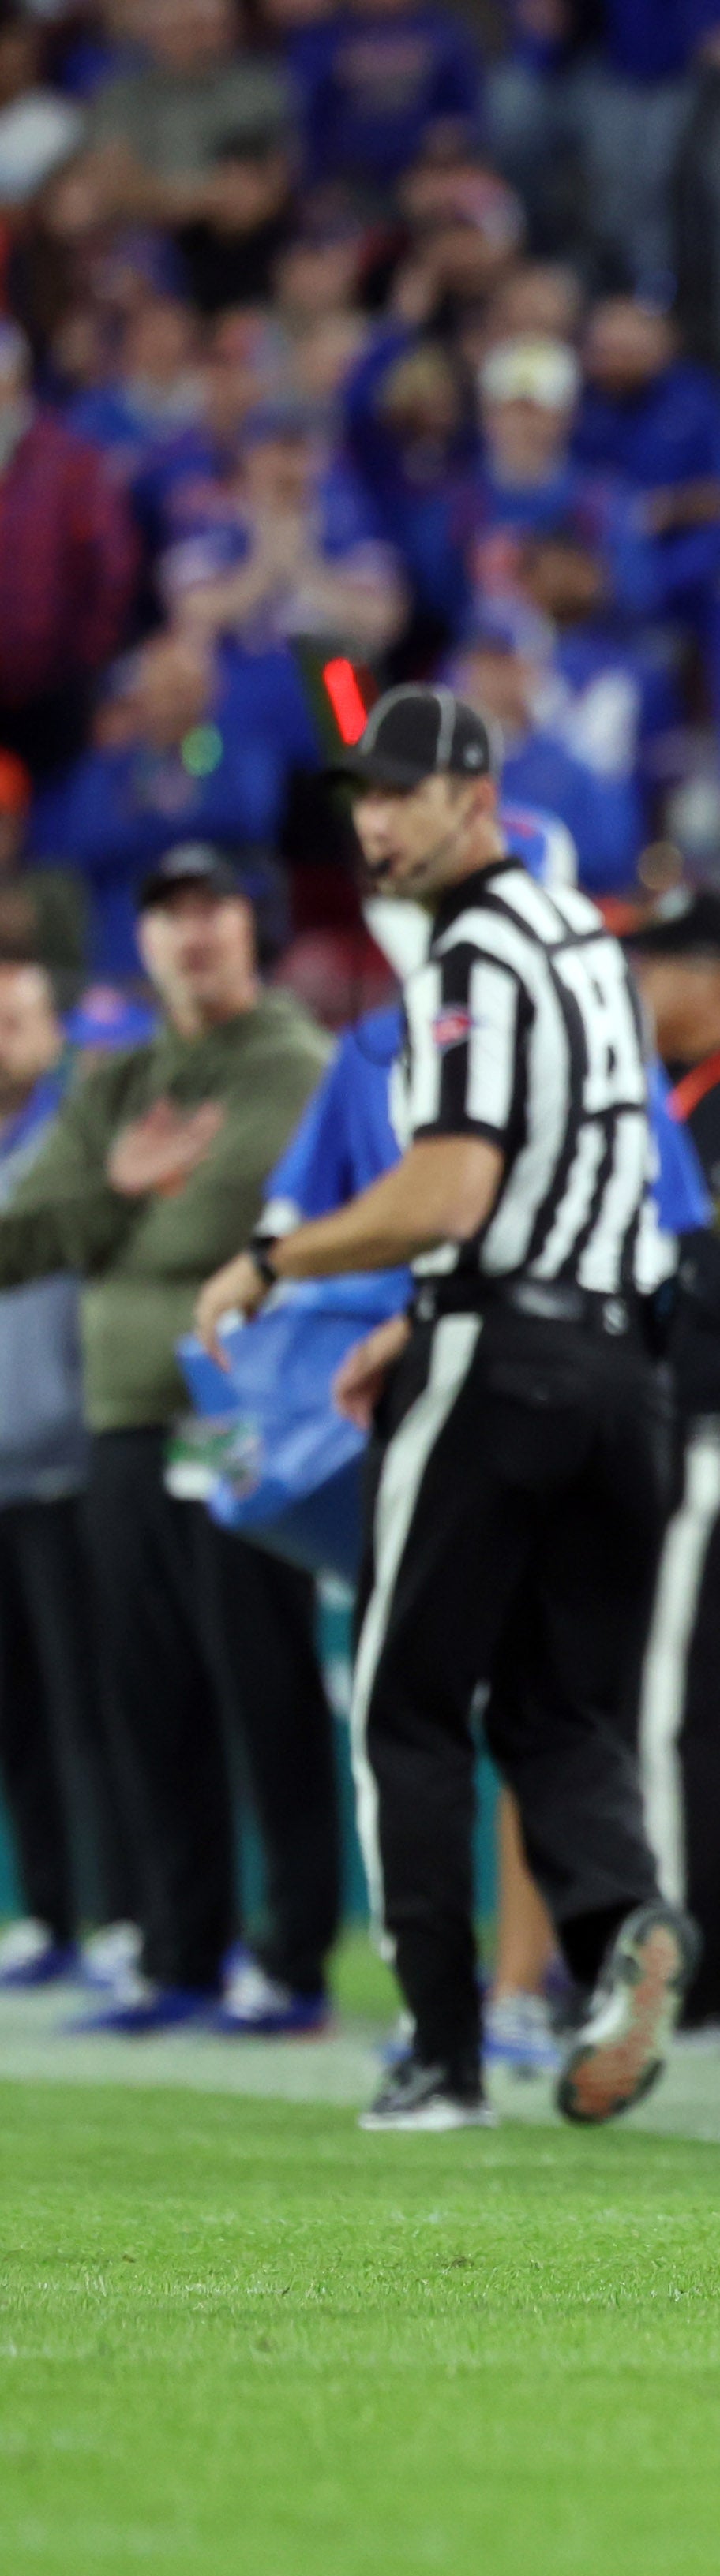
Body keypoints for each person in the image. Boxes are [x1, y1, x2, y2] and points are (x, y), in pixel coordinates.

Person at [191, 688, 692, 2131]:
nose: (376, 819)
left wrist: (278, 1257)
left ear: (478, 794)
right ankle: (626, 1932)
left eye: (404, 792)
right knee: (553, 1702)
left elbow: (459, 1186)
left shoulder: (474, 954)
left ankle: (440, 2050)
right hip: (620, 1373)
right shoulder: (585, 945)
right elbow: (585, 1172)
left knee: (407, 1703)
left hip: (502, 1362)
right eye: (363, 793)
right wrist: (416, 1312)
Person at [0, 845, 336, 2038]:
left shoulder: (289, 1061)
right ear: (139, 939)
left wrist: (104, 1211)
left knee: (264, 1682)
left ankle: (291, 1957)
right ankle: (177, 1947)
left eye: (214, 911)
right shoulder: (118, 1075)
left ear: (252, 927)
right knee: (150, 1697)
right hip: (124, 1424)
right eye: (168, 913)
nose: (192, 934)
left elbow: (224, 1212)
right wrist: (122, 1197)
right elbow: (14, 1239)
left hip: (238, 1415)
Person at [618, 892, 720, 2030]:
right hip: (691, 1433)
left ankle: (684, 1976)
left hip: (715, 1437)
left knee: (677, 1708)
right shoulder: (692, 1101)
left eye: (661, 961)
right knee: (668, 1707)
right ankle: (706, 1967)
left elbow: (716, 1284)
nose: (642, 982)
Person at [0, 936, 115, 1989]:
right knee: (17, 1717)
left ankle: (122, 1911)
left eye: (16, 1021)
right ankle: (48, 1914)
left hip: (74, 1461)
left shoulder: (80, 1142)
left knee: (99, 1704)